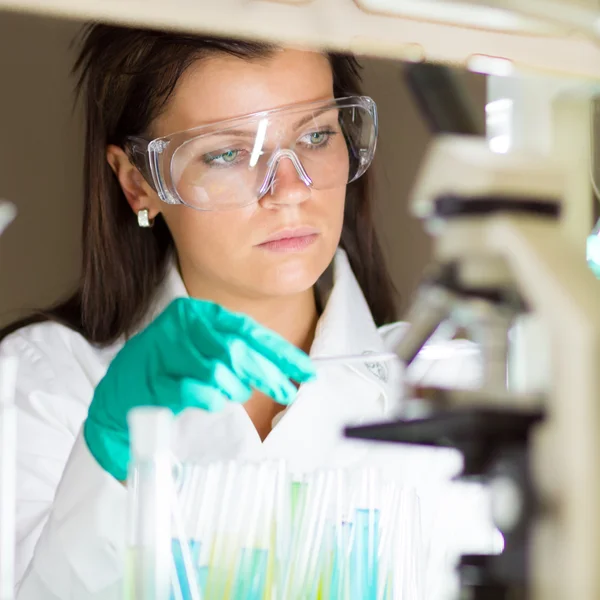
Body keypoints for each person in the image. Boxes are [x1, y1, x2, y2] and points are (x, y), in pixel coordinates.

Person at [1, 23, 495, 599]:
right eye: (229, 153)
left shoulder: (451, 384)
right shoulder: (43, 383)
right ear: (139, 183)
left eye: (314, 137)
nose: (287, 189)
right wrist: (108, 458)